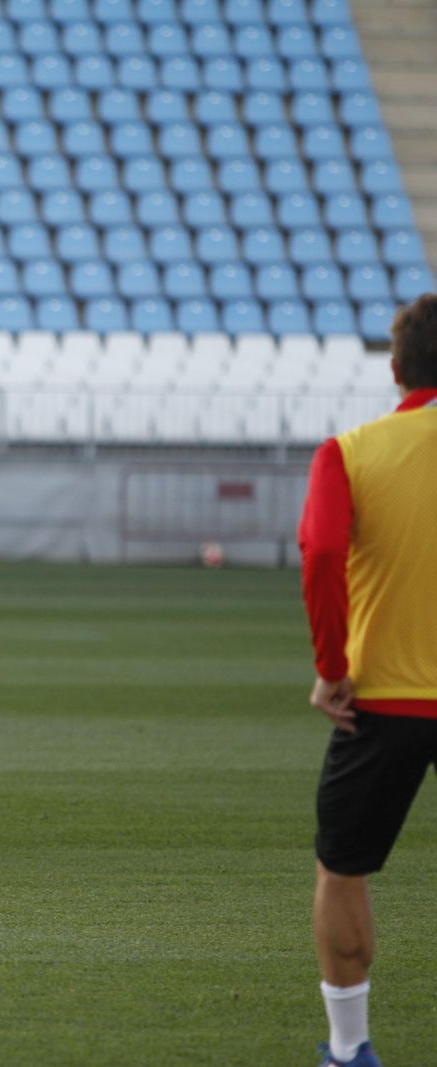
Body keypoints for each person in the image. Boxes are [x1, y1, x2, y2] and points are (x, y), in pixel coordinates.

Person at [298, 294, 437, 1067]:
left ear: (395, 368)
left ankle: (350, 1050)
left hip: (382, 699)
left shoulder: (350, 451)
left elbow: (320, 555)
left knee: (343, 866)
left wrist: (331, 671)